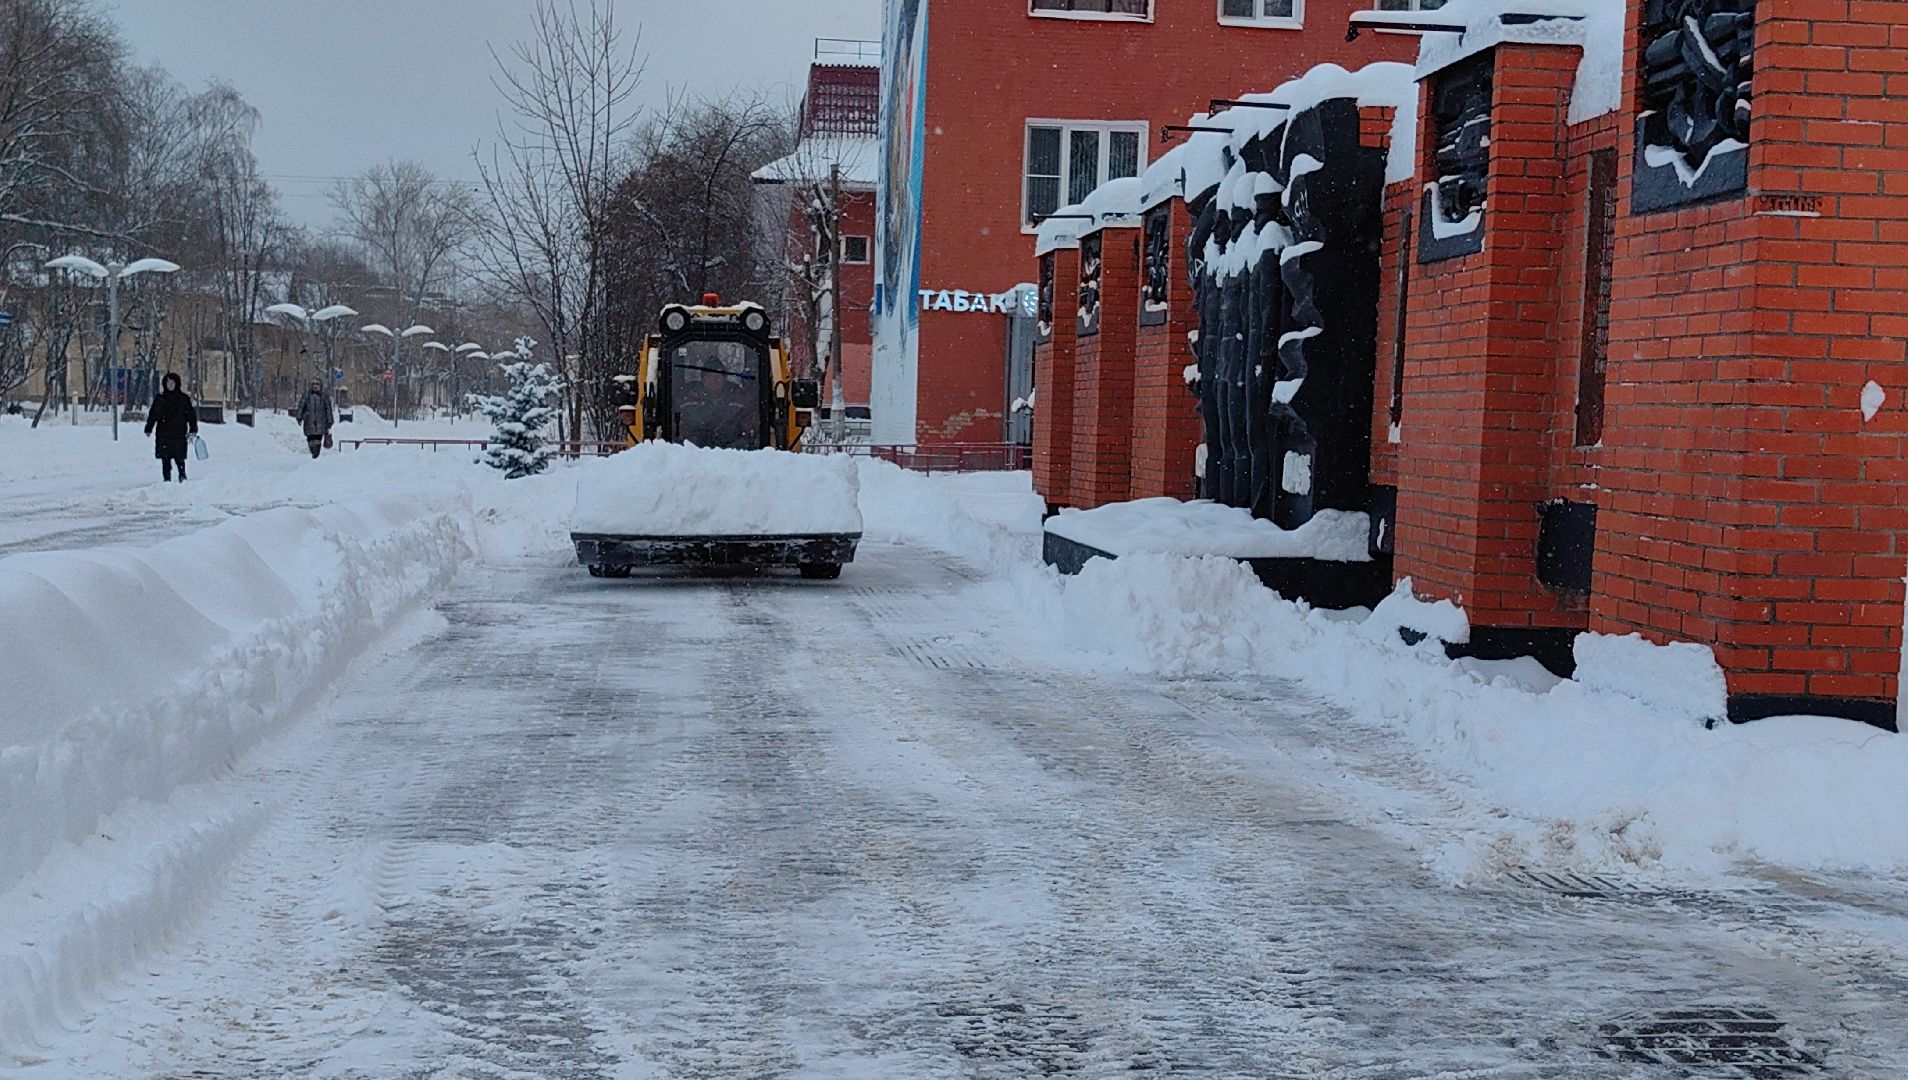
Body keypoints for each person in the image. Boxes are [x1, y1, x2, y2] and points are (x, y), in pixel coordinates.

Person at [144, 372, 198, 483]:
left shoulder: (183, 399)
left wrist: (193, 429)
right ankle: (166, 478)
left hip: (179, 433)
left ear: (176, 383)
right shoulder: (160, 398)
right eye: (168, 383)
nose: (170, 385)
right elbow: (153, 414)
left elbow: (191, 415)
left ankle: (182, 476)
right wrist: (149, 428)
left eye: (172, 383)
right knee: (165, 458)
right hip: (164, 433)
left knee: (179, 457)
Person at [294, 378, 334, 459]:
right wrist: (299, 416)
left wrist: (329, 421)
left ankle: (316, 455)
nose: (315, 386)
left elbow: (328, 409)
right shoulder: (307, 395)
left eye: (317, 384)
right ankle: (313, 453)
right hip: (309, 422)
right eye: (313, 384)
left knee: (317, 440)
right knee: (310, 440)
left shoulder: (324, 396)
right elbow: (301, 406)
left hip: (321, 422)